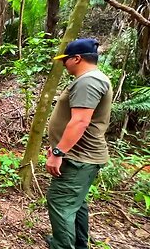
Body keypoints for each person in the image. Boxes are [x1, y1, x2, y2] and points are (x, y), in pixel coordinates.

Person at [46, 38, 113, 249]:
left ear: (77, 58)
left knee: (61, 202)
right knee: (76, 203)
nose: (63, 63)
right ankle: (77, 243)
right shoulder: (91, 79)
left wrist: (58, 152)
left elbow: (81, 121)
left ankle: (63, 245)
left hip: (79, 158)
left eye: (66, 59)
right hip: (79, 155)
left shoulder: (88, 81)